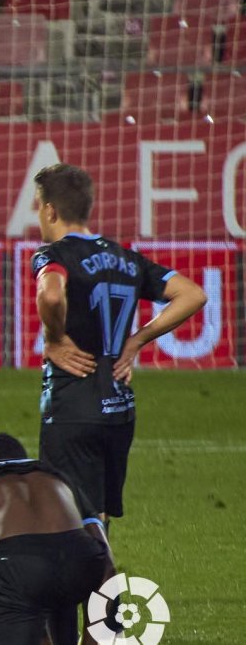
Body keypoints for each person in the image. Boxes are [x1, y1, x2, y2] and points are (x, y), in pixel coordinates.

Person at [31, 164, 206, 525]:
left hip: (72, 407)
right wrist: (137, 340)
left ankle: (83, 565)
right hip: (119, 408)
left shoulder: (54, 255)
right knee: (99, 518)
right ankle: (102, 565)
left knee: (66, 522)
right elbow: (192, 294)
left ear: (50, 210)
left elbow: (50, 295)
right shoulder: (127, 258)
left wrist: (55, 339)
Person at [0, 433, 116, 645]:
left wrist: (35, 633)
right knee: (57, 581)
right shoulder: (59, 477)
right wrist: (93, 639)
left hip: (23, 566)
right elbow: (107, 565)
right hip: (81, 559)